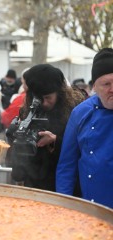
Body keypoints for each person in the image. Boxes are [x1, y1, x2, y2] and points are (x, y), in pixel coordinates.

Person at [6, 64, 85, 191]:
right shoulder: (27, 112)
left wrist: (55, 141)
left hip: (66, 186)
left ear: (60, 93)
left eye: (48, 98)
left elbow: (84, 149)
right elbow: (18, 171)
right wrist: (16, 140)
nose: (44, 103)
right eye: (39, 98)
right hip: (34, 185)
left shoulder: (76, 111)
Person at [56, 48, 113, 208]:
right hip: (93, 208)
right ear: (94, 86)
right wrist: (63, 205)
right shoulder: (81, 113)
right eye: (106, 84)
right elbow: (67, 164)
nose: (112, 89)